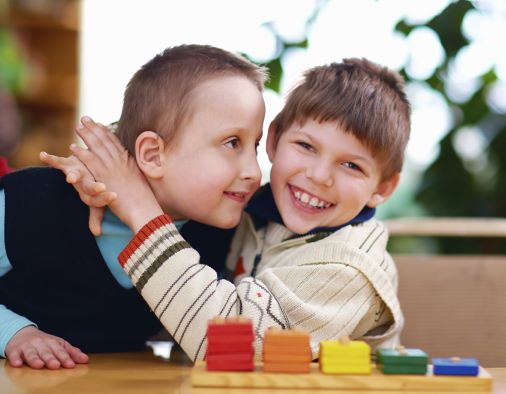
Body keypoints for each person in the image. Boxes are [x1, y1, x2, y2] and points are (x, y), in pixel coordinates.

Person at [47, 58, 411, 363]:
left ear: (382, 188)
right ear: (272, 140)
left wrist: (137, 203)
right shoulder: (256, 208)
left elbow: (230, 343)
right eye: (306, 146)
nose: (318, 176)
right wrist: (106, 167)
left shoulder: (348, 270)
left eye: (352, 166)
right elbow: (179, 156)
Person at [0, 44, 267, 369]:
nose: (253, 171)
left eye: (255, 145)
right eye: (232, 143)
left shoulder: (219, 232)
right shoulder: (31, 204)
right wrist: (14, 334)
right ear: (153, 155)